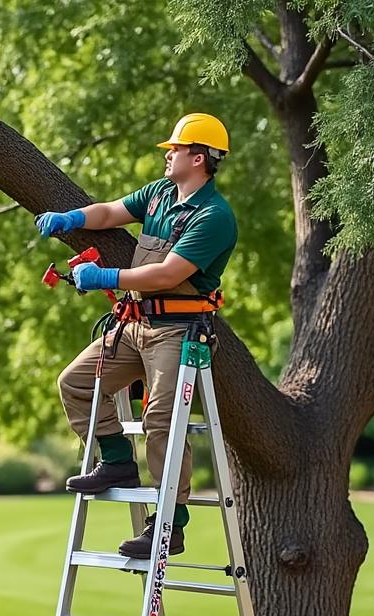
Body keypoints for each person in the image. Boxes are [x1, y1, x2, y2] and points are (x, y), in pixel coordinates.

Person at [35, 113, 236, 558]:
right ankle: (117, 462)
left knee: (161, 422)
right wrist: (70, 218)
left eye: (176, 149)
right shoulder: (161, 193)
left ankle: (169, 527)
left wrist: (104, 274)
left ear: (198, 157)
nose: (168, 155)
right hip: (135, 325)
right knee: (76, 383)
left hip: (177, 333)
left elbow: (167, 274)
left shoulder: (214, 216)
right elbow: (110, 213)